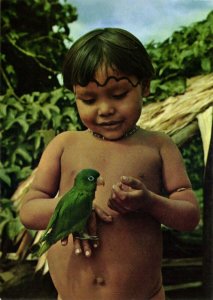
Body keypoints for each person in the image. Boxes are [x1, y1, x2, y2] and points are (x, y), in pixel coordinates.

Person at [20, 28, 200, 300]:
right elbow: (29, 212)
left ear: (145, 86)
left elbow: (189, 216)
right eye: (89, 100)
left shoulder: (158, 146)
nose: (104, 109)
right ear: (74, 95)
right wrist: (72, 209)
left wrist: (150, 202)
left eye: (118, 95)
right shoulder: (64, 144)